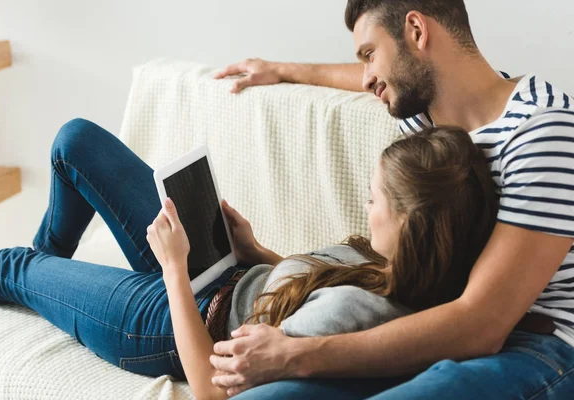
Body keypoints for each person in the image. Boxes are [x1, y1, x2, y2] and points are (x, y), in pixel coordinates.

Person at [208, 0, 574, 399]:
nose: (367, 79)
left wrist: (294, 354)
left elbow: (483, 326)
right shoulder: (429, 119)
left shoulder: (543, 132)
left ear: (416, 31)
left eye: (370, 54)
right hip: (432, 324)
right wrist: (281, 70)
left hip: (540, 345)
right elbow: (378, 75)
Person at [0, 122, 497, 400]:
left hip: (172, 325)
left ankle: (37, 283)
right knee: (75, 143)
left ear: (410, 224)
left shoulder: (352, 320)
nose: (366, 204)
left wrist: (175, 270)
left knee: (12, 266)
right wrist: (258, 252)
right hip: (226, 272)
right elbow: (314, 286)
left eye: (374, 199)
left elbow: (210, 386)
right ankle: (50, 287)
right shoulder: (396, 267)